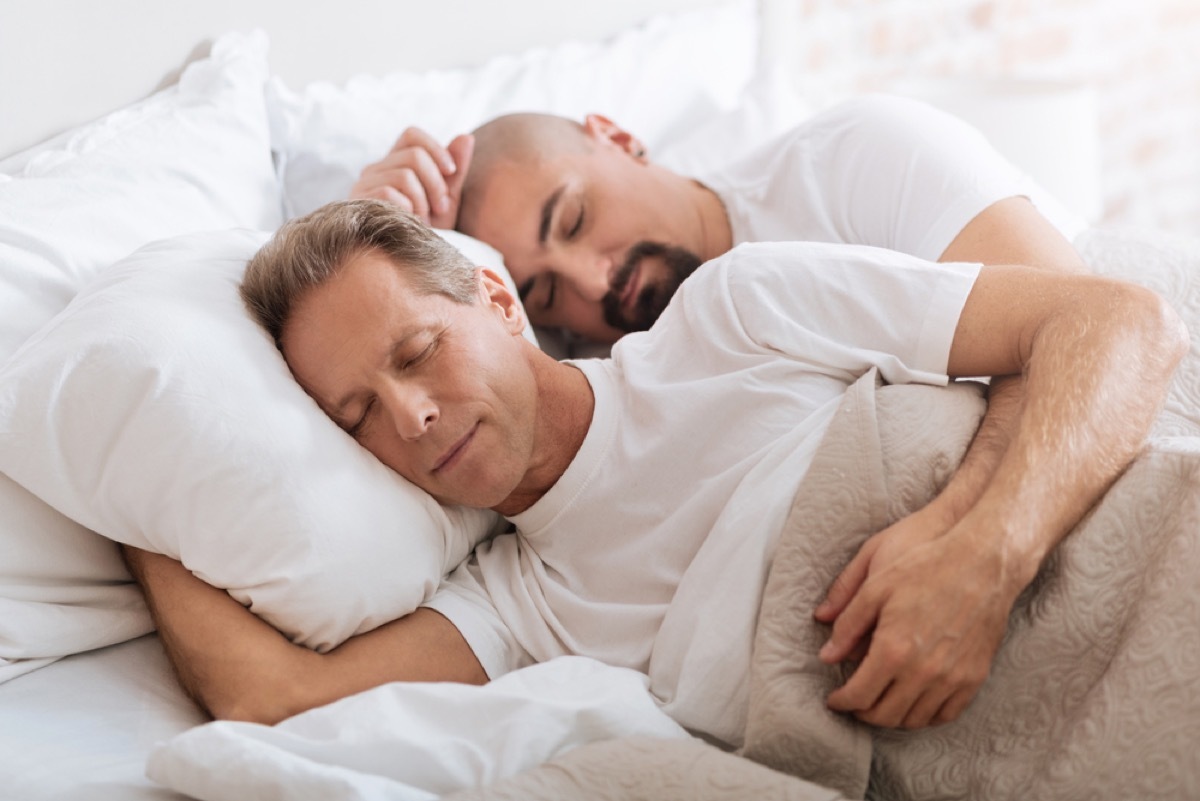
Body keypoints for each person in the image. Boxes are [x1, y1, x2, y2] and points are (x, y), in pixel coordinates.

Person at [125, 199, 1185, 747]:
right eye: (356, 415)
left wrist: (982, 553)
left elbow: (1112, 317)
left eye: (417, 353)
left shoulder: (738, 314)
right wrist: (129, 493)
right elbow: (273, 698)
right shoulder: (523, 604)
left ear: (497, 304)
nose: (411, 416)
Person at [345, 95, 1090, 729]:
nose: (596, 281)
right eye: (545, 293)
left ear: (615, 136)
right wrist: (390, 243)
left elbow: (1076, 325)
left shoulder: (852, 160)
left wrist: (970, 541)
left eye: (572, 219)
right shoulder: (606, 364)